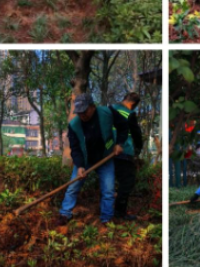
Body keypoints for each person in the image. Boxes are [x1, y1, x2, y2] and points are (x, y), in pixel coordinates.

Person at [57, 94, 128, 225]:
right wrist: (79, 166)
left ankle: (106, 218)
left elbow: (123, 126)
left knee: (108, 190)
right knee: (73, 186)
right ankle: (65, 214)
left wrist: (119, 143)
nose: (82, 115)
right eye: (79, 113)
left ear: (92, 107)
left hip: (105, 158)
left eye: (84, 111)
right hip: (85, 161)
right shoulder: (74, 125)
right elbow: (75, 148)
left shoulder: (107, 113)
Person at [110, 92, 144, 221]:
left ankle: (108, 211)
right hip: (124, 152)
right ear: (133, 104)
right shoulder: (129, 113)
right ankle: (119, 214)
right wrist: (138, 150)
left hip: (109, 151)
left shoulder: (110, 109)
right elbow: (136, 134)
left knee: (110, 182)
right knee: (127, 182)